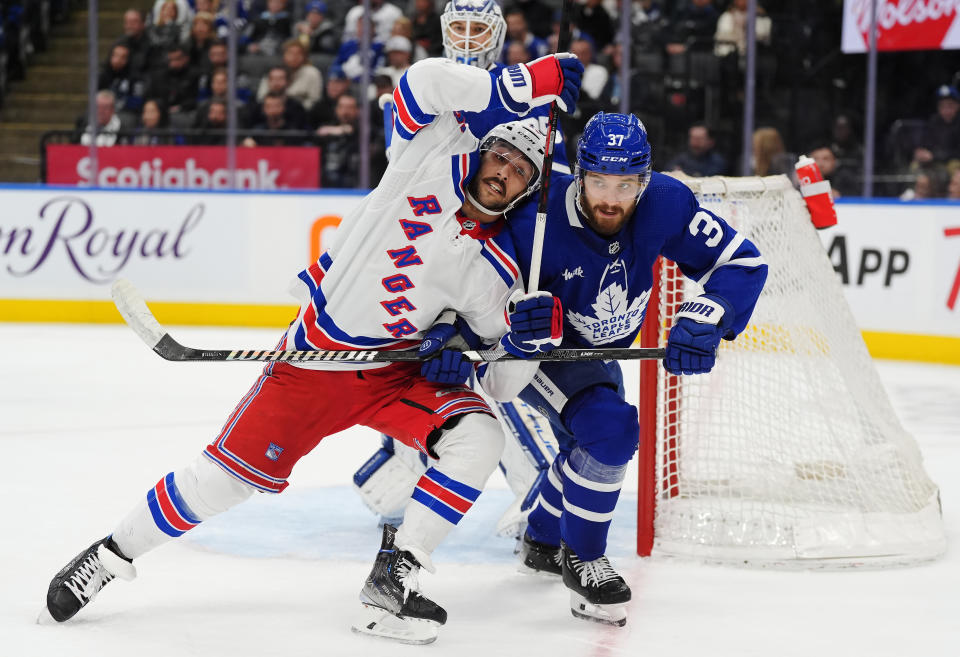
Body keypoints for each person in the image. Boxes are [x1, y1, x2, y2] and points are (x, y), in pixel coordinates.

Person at [43, 52, 584, 646]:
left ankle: (394, 579)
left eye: (521, 170)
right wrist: (524, 83)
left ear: (529, 188)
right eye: (500, 153)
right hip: (316, 361)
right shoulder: (424, 157)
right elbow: (425, 80)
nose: (504, 169)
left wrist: (513, 344)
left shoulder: (502, 268)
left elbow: (501, 385)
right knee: (220, 483)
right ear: (482, 150)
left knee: (480, 435)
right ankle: (110, 554)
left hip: (394, 376)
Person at [490, 112, 767, 626]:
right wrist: (513, 317)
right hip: (542, 354)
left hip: (599, 354)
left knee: (587, 447)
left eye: (626, 183)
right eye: (597, 181)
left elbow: (742, 264)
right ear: (578, 174)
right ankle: (584, 557)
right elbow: (477, 300)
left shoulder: (664, 202)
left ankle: (543, 540)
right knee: (612, 431)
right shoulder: (533, 220)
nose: (611, 198)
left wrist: (709, 315)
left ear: (645, 178)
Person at [352, 0, 573, 541]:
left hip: (492, 269)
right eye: (459, 27)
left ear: (498, 34)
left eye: (480, 28)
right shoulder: (421, 94)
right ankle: (400, 478)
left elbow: (552, 189)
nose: (469, 38)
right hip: (423, 264)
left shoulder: (533, 105)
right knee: (415, 376)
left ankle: (537, 501)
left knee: (503, 382)